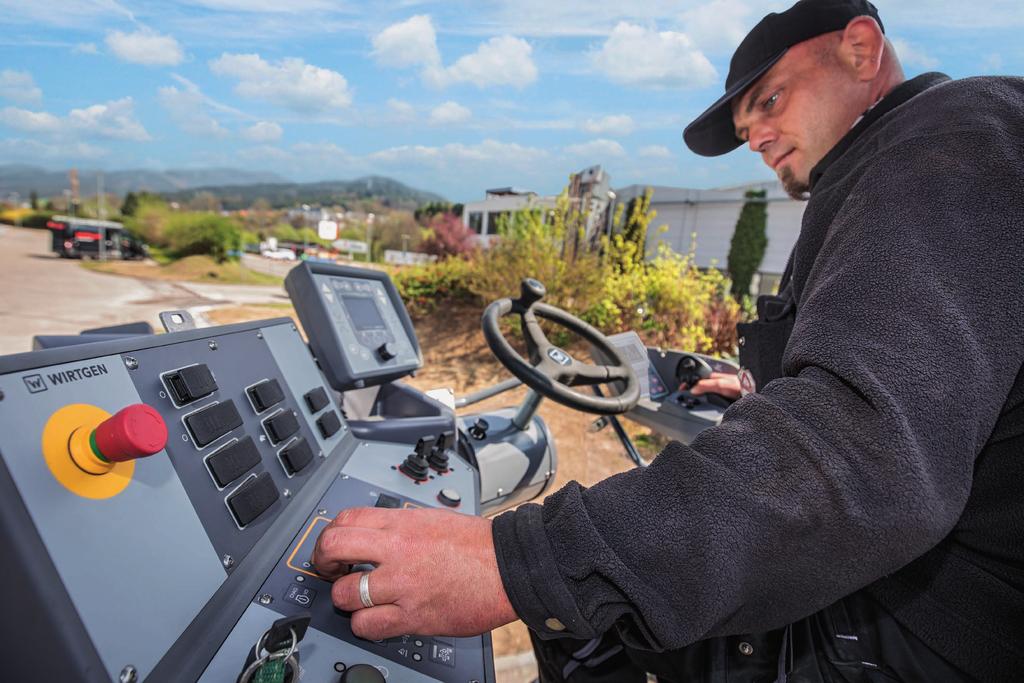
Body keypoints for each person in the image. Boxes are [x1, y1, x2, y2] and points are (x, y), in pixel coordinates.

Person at [312, 0, 1024, 679]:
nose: (759, 137)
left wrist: (512, 562)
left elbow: (862, 452)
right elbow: (920, 382)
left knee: (582, 609)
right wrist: (757, 388)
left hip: (926, 633)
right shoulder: (891, 169)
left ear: (860, 50)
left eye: (770, 101)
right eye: (747, 128)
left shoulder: (946, 141)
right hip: (914, 586)